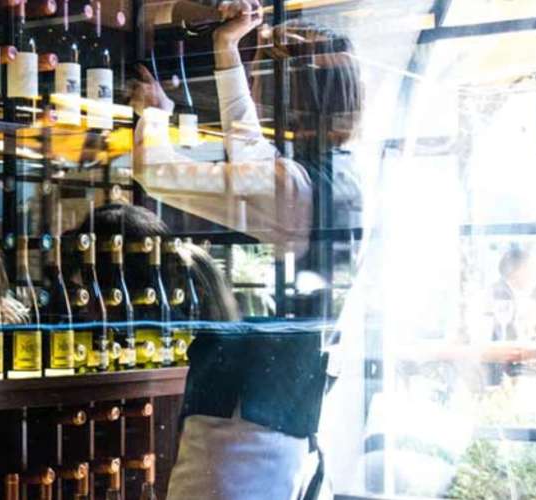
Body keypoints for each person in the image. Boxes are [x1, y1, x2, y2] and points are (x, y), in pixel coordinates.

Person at [128, 1, 364, 498]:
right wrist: (225, 48)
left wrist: (152, 115)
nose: (253, 92)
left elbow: (157, 174)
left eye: (260, 80)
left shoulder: (287, 186)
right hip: (292, 411)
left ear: (284, 95)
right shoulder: (343, 176)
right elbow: (253, 152)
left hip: (244, 424)